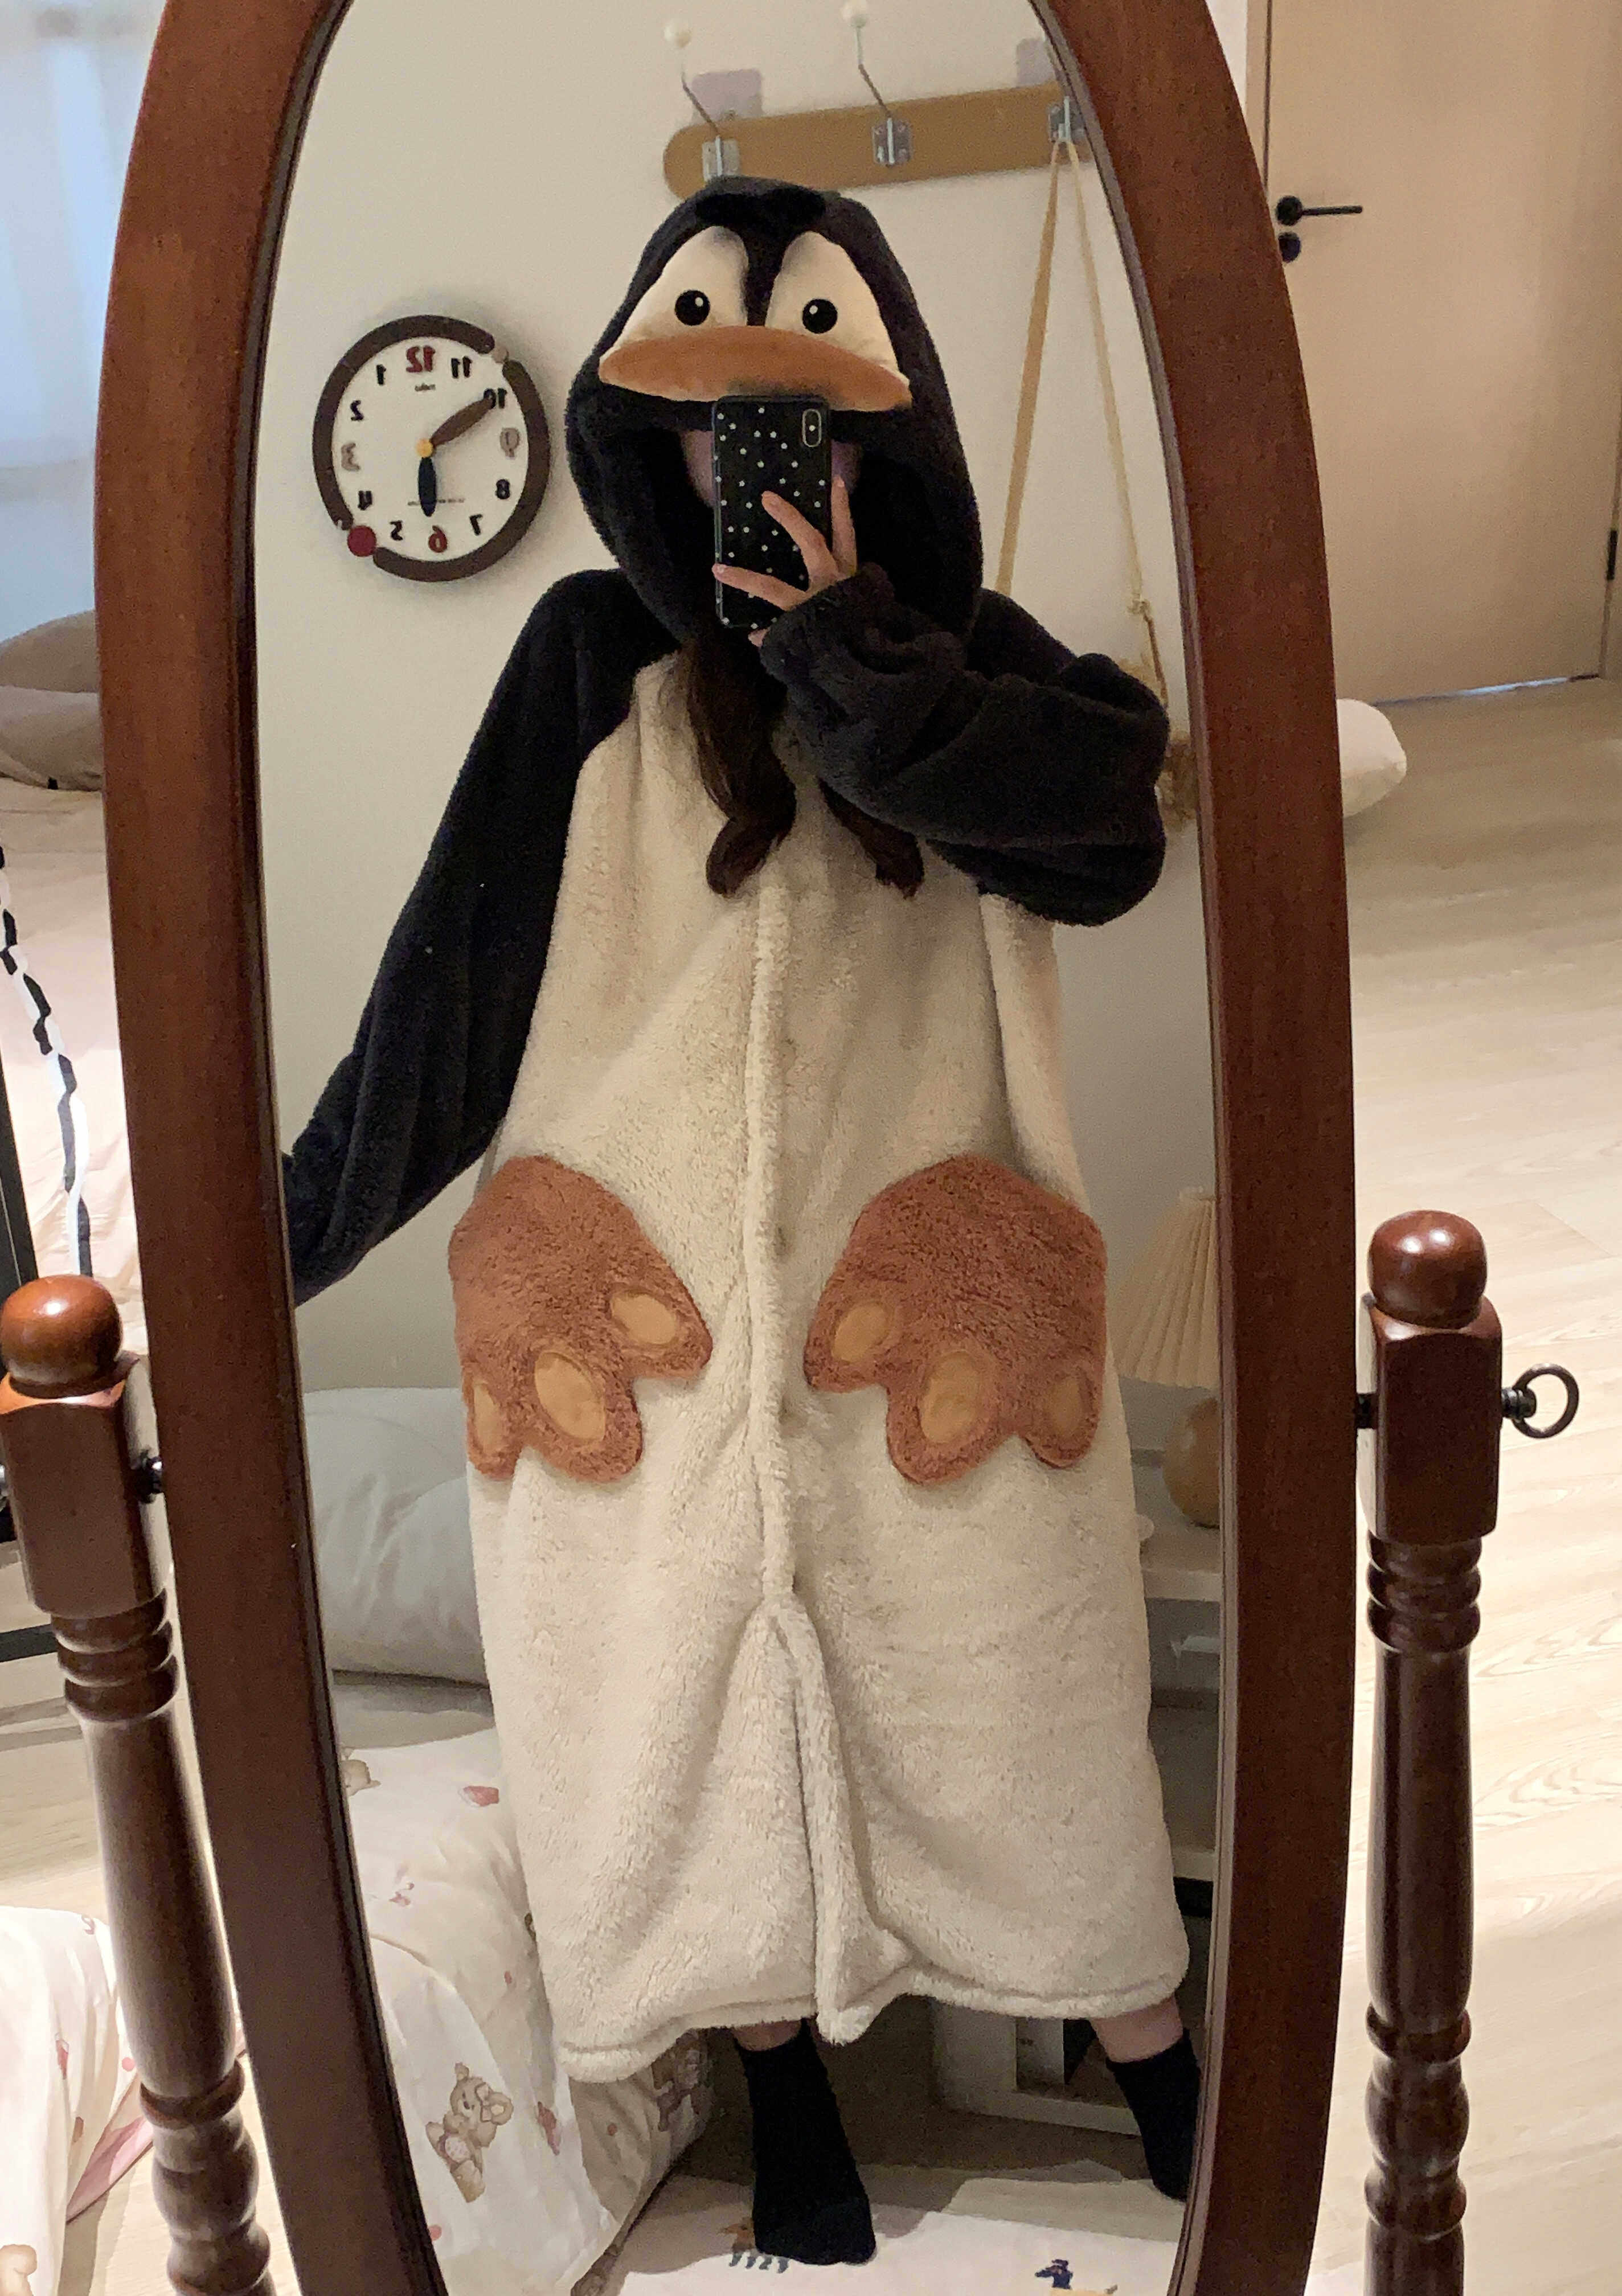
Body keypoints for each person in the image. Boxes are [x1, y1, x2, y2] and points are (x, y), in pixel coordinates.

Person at [286, 177, 1198, 2268]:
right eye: (711, 421)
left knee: (1023, 1709)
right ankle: (789, 2099)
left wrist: (842, 646)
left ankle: (1165, 2072)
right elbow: (450, 986)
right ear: (649, 436)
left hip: (924, 1304)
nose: (749, 461)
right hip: (637, 1300)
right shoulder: (586, 657)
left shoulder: (969, 667)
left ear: (890, 437)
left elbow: (1107, 848)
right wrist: (275, 1249)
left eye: (803, 424)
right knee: (679, 1720)